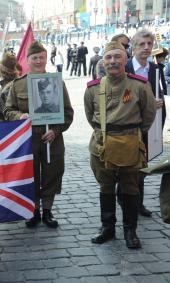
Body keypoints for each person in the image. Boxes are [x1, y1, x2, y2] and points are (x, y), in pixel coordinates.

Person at [84, 41, 156, 249]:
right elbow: (91, 117)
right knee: (105, 187)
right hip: (101, 145)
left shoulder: (139, 86)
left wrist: (130, 134)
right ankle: (107, 228)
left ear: (126, 59)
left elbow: (148, 116)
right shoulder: (93, 89)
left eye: (117, 57)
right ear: (103, 61)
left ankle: (130, 230)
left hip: (129, 145)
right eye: (109, 57)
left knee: (130, 188)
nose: (113, 61)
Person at [4, 41, 74, 228]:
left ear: (46, 58)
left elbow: (67, 112)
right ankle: (33, 209)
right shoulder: (18, 85)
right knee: (31, 173)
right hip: (28, 139)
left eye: (42, 57)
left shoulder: (57, 83)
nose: (38, 61)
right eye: (34, 58)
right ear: (27, 60)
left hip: (52, 137)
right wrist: (21, 116)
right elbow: (8, 110)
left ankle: (48, 211)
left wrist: (55, 131)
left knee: (53, 172)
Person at [125, 29, 166, 217]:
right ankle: (125, 200)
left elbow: (160, 97)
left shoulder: (156, 69)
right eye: (142, 44)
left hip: (149, 128)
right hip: (129, 127)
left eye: (149, 44)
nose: (146, 48)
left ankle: (138, 203)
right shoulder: (126, 69)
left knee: (142, 166)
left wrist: (159, 108)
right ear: (133, 47)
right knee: (128, 168)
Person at [0, 52, 19, 121]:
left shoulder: (10, 87)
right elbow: (0, 110)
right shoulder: (6, 84)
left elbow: (9, 114)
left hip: (6, 129)